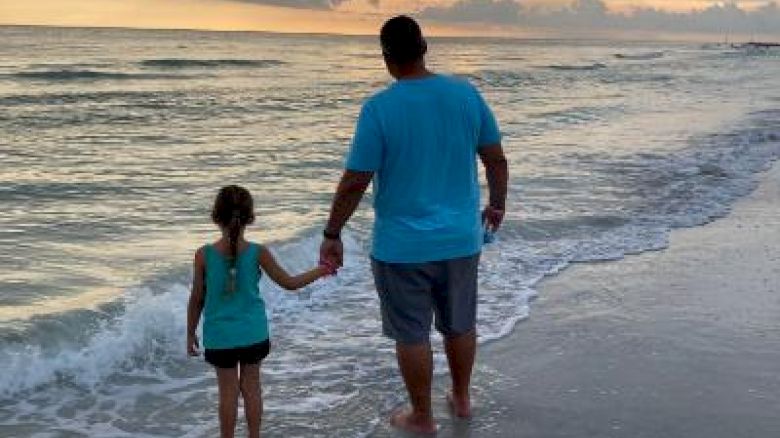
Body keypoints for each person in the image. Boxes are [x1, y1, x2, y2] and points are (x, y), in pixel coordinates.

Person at [319, 15, 508, 435]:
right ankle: (460, 398)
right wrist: (496, 205)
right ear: (424, 48)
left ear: (387, 58)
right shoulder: (465, 95)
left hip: (401, 246)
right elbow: (495, 157)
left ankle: (421, 416)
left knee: (412, 333)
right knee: (460, 322)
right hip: (460, 238)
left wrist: (332, 234)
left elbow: (355, 181)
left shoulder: (380, 108)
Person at [187, 185, 336, 438]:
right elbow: (289, 283)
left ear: (215, 217)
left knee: (228, 393)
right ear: (250, 218)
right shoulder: (258, 252)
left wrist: (190, 333)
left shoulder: (203, 255)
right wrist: (322, 270)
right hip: (253, 334)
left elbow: (196, 299)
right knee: (252, 388)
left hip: (220, 336)